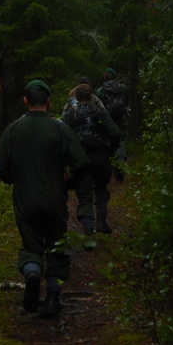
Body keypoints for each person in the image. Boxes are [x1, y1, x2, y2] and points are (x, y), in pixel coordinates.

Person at [0, 80, 89, 317]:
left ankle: (33, 272)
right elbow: (82, 164)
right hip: (54, 198)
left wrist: (16, 180)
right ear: (49, 101)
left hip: (25, 200)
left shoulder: (13, 130)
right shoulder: (59, 129)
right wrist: (69, 184)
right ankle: (53, 295)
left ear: (25, 100)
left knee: (31, 244)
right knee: (57, 243)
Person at [62, 83, 121, 239]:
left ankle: (88, 226)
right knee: (101, 187)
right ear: (90, 95)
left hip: (79, 157)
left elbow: (62, 131)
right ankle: (101, 221)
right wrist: (110, 149)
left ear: (76, 96)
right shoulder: (98, 109)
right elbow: (114, 131)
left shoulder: (70, 110)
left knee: (84, 193)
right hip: (99, 155)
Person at [96, 68, 130, 180]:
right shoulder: (123, 88)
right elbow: (126, 102)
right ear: (114, 77)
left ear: (105, 77)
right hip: (121, 119)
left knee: (109, 142)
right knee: (121, 141)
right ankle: (120, 163)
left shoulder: (101, 90)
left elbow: (98, 105)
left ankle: (112, 168)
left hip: (108, 120)